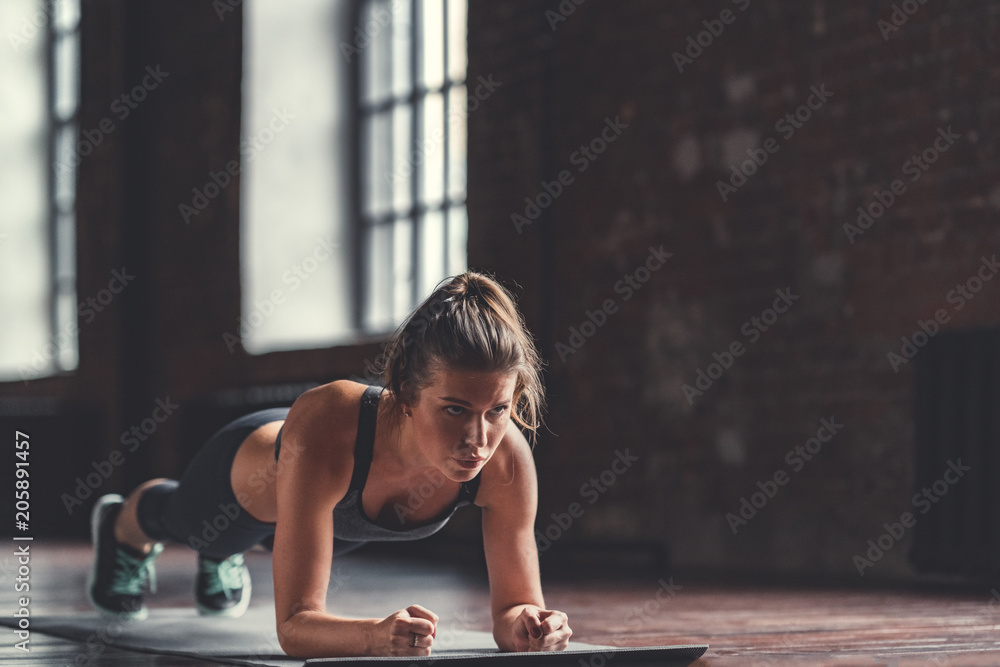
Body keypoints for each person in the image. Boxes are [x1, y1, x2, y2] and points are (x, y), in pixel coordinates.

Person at [87, 271, 573, 658]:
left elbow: (513, 607)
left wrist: (532, 626)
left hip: (330, 517)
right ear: (405, 393)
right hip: (248, 485)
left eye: (497, 411)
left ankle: (223, 557)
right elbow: (295, 626)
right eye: (454, 410)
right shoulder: (329, 423)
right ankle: (121, 526)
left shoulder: (507, 459)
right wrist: (375, 637)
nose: (478, 439)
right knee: (191, 525)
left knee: (282, 542)